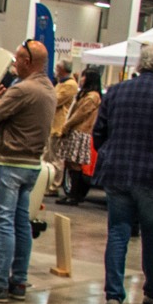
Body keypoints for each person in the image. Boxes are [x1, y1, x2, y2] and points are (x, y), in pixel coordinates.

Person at [92, 40, 153, 304]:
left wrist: (112, 155)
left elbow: (99, 132)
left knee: (118, 232)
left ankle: (113, 295)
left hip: (117, 172)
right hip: (152, 175)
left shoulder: (117, 91)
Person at [0, 40, 57, 303]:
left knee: (3, 223)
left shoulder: (22, 90)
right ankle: (18, 281)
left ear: (28, 62)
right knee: (20, 224)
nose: (14, 64)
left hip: (10, 162)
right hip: (31, 165)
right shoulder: (48, 88)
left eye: (17, 59)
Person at [51, 67, 102, 206]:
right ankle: (73, 194)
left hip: (80, 132)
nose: (82, 78)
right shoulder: (86, 95)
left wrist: (67, 125)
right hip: (75, 131)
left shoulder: (92, 97)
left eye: (84, 76)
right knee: (70, 163)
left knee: (75, 165)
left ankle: (75, 195)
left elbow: (80, 114)